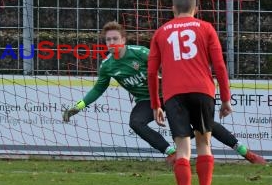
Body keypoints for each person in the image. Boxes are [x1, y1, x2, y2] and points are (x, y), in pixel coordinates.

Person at [62, 21, 264, 166]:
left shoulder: (140, 53)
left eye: (115, 38)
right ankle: (171, 152)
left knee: (204, 126)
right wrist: (79, 106)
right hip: (146, 100)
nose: (112, 42)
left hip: (168, 95)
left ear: (123, 39)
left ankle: (246, 153)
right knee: (136, 122)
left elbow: (166, 63)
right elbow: (98, 89)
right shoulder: (107, 65)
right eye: (108, 40)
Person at [148, 0, 233, 185]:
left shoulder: (161, 32)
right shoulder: (205, 28)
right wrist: (225, 98)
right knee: (204, 144)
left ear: (173, 9)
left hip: (174, 94)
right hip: (203, 91)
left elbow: (151, 72)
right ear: (196, 9)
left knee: (182, 149)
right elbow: (220, 66)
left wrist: (156, 104)